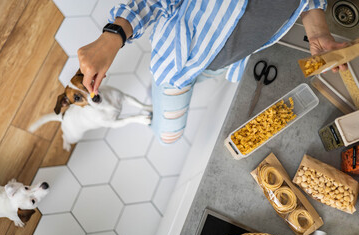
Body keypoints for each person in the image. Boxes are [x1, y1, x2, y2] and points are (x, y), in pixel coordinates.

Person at [78, 0, 347, 144]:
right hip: (176, 64)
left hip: (227, 59)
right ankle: (159, 106)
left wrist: (318, 32)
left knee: (207, 75)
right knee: (168, 136)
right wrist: (113, 36)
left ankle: (183, 86)